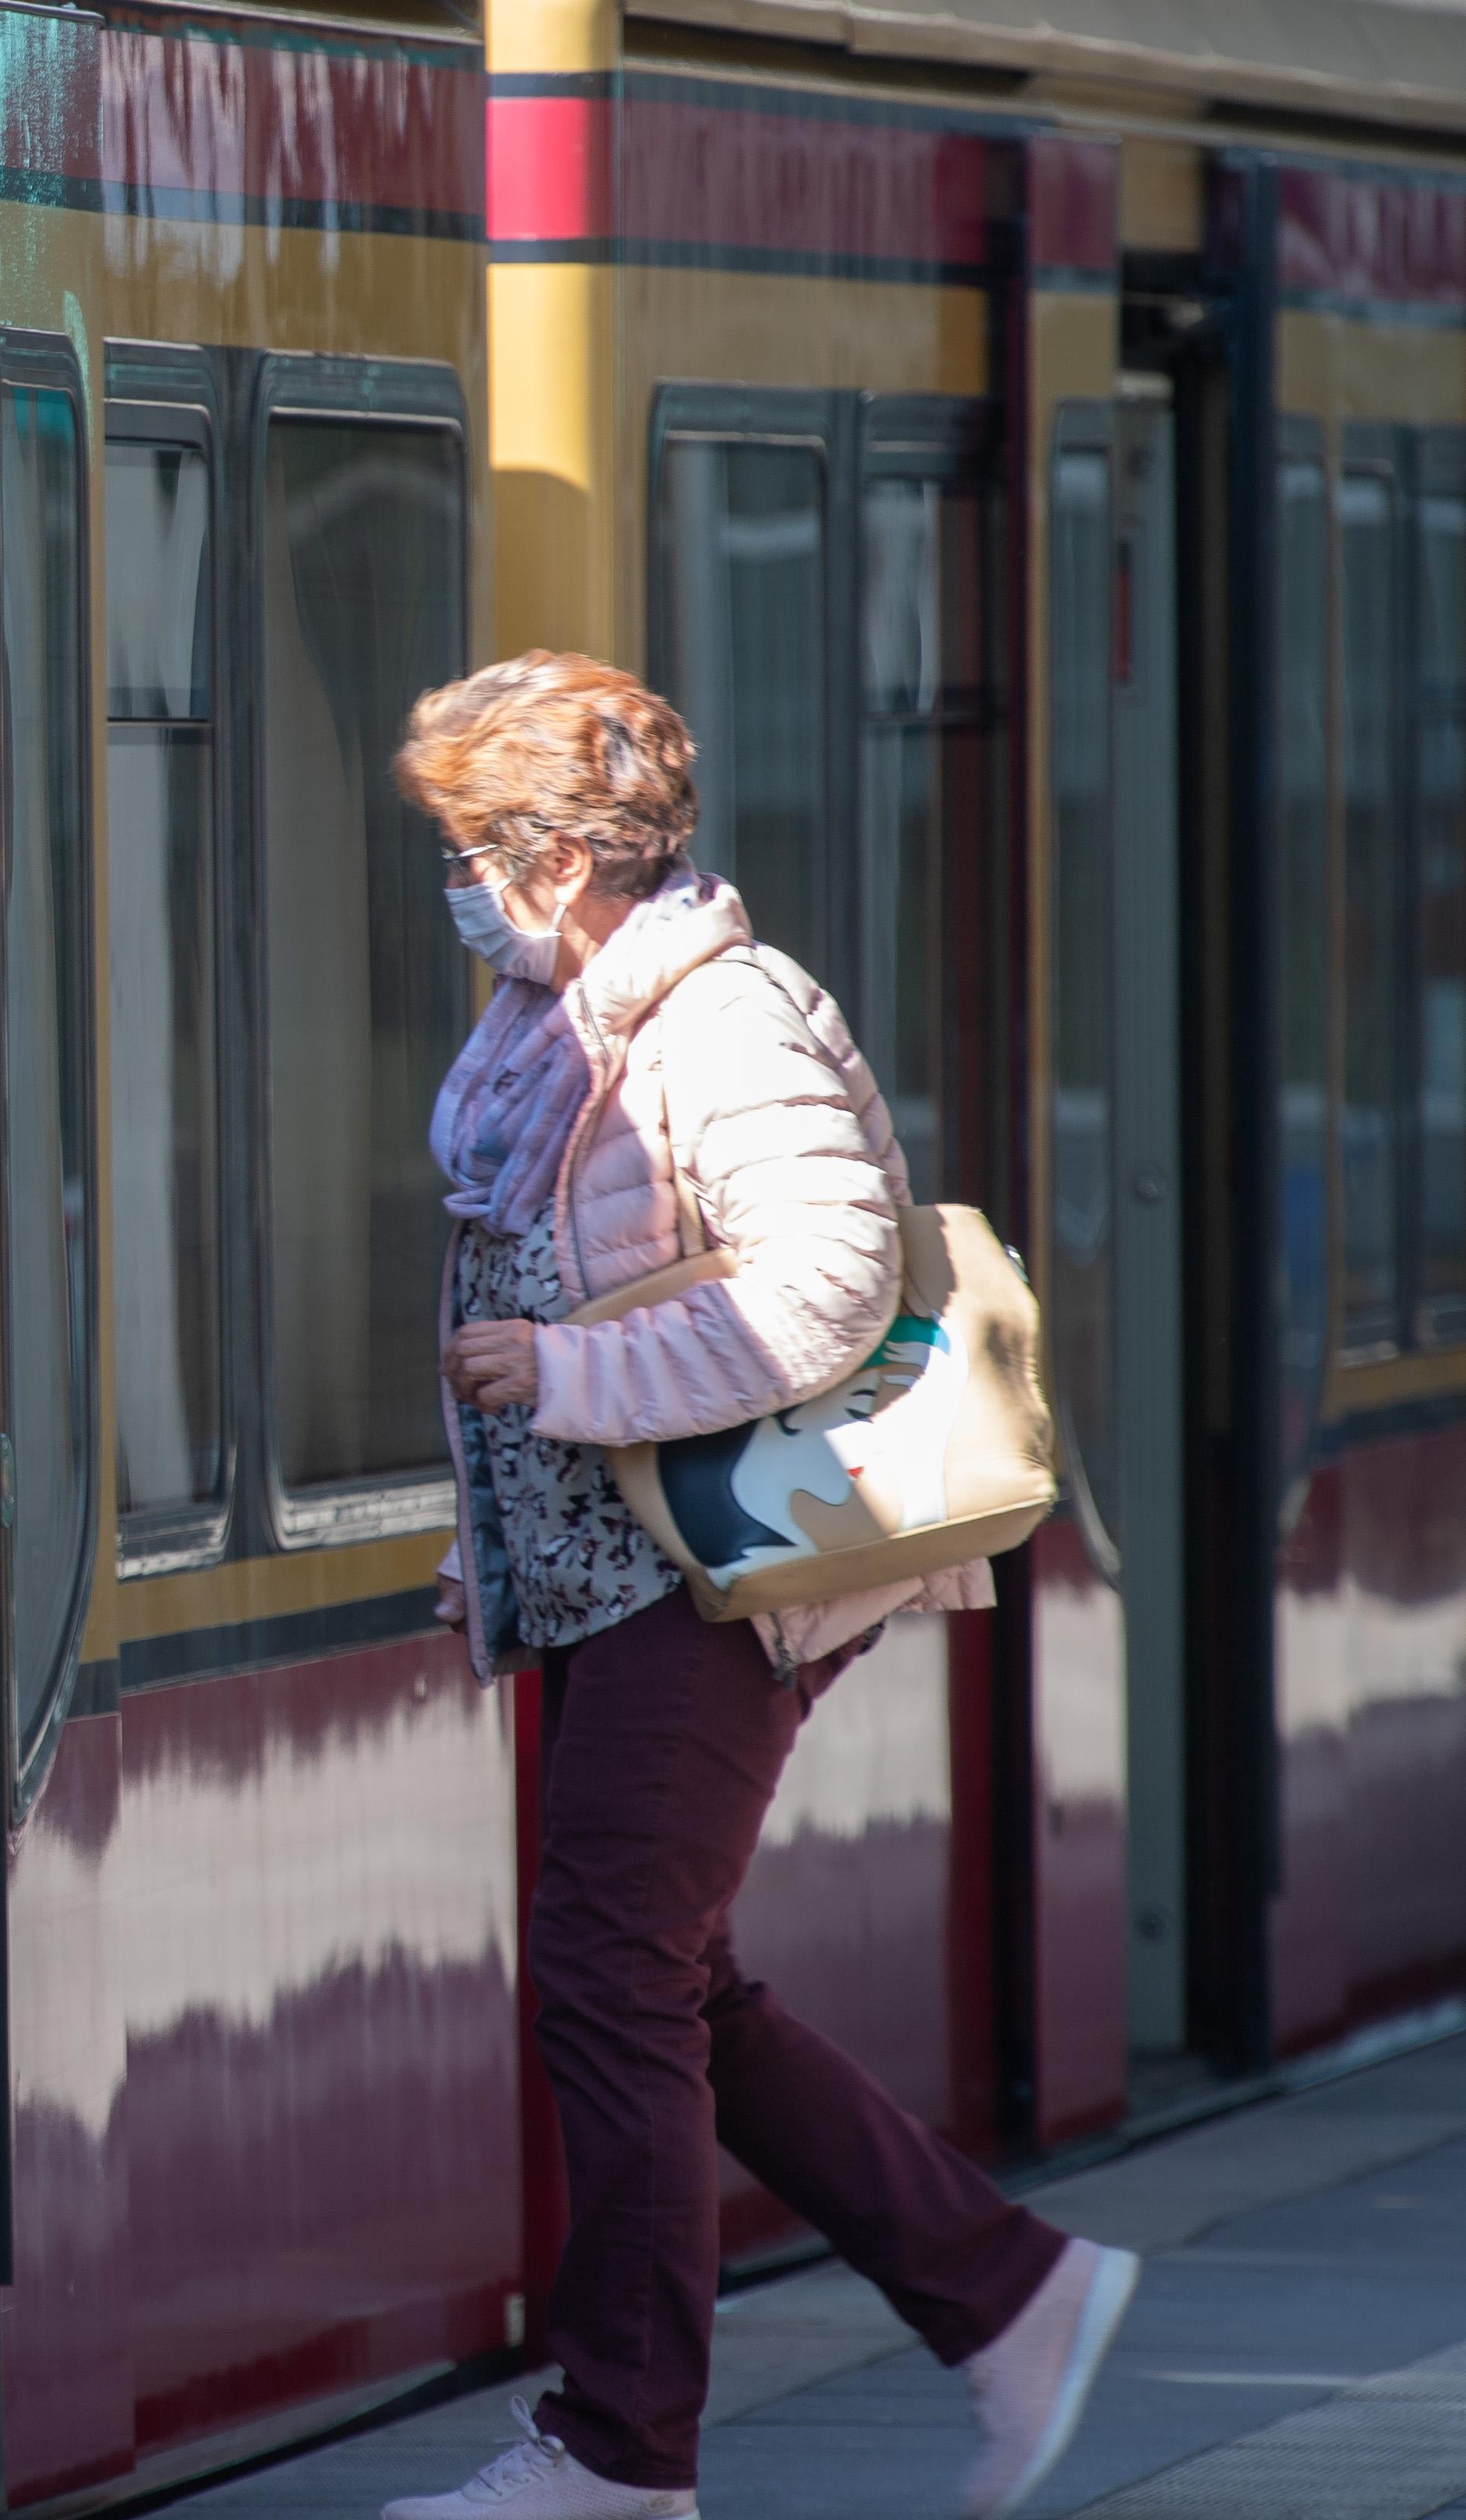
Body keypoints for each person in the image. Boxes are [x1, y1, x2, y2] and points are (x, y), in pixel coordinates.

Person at [380, 654, 1136, 2520]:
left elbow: (818, 1288)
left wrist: (559, 1384)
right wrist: (495, 1541)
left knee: (605, 1978)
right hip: (611, 1571)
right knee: (670, 1982)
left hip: (712, 1576)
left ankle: (618, 2455)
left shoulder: (717, 1024)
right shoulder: (555, 1011)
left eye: (475, 842)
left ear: (560, 854)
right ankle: (1012, 2295)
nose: (459, 876)